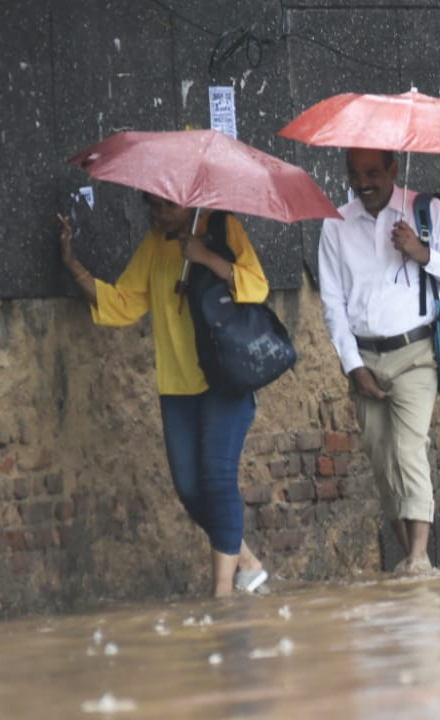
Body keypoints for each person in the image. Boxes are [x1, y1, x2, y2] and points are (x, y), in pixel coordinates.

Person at [57, 195, 269, 598]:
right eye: (152, 207)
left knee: (218, 478)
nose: (158, 215)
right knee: (190, 488)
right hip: (177, 387)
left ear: (190, 202)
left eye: (167, 206)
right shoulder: (155, 245)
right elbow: (123, 303)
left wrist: (204, 256)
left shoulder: (221, 226)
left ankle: (221, 594)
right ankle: (246, 560)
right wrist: (72, 264)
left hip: (225, 379)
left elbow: (256, 285)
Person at [317, 149, 440, 575]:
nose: (363, 183)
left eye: (372, 173)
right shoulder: (335, 223)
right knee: (382, 458)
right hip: (364, 357)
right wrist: (353, 365)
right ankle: (412, 559)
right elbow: (332, 302)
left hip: (415, 354)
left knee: (409, 449)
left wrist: (422, 252)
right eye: (354, 174)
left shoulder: (426, 211)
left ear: (393, 169)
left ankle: (420, 558)